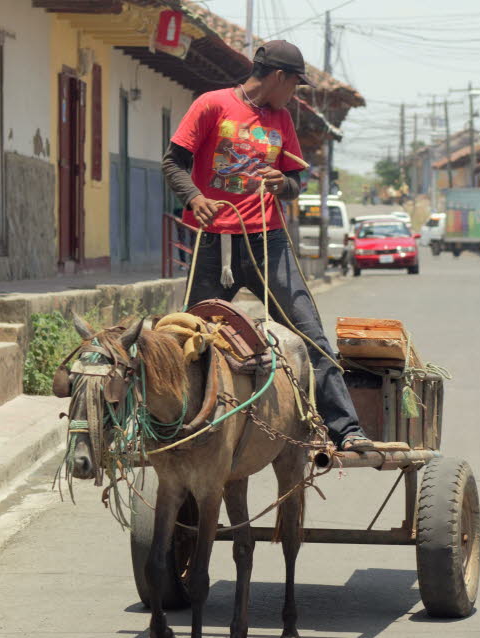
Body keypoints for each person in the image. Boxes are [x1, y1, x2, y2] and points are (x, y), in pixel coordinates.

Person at [161, 40, 374, 452]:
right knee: (190, 338)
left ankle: (345, 429)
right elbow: (173, 161)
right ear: (279, 77)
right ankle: (177, 430)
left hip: (267, 243)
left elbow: (295, 182)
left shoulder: (282, 120)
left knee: (309, 333)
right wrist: (195, 198)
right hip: (213, 243)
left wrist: (284, 185)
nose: (295, 92)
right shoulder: (211, 104)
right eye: (295, 83)